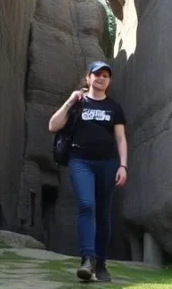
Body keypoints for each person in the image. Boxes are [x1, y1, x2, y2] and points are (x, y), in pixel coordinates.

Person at [48, 60, 128, 283]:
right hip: (80, 160)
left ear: (109, 81)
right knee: (86, 205)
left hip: (108, 163)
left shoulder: (114, 108)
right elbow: (53, 126)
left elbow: (120, 138)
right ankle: (87, 260)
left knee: (103, 214)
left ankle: (101, 264)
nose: (101, 78)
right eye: (97, 74)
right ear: (88, 78)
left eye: (105, 75)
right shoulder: (78, 103)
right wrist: (71, 100)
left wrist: (123, 165)